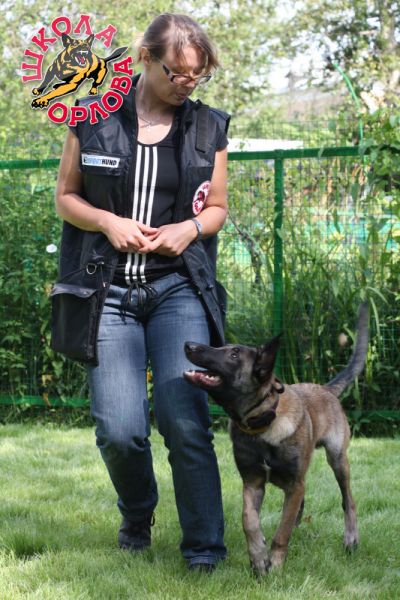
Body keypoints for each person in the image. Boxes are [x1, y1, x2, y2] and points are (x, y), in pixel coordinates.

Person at [54, 13, 230, 572]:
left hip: (178, 289)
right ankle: (137, 513)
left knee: (185, 420)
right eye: (178, 73)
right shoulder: (91, 116)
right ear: (145, 60)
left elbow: (217, 207)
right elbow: (66, 197)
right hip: (106, 293)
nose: (188, 84)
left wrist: (190, 229)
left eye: (198, 75)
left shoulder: (208, 127)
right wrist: (107, 222)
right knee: (120, 430)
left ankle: (204, 551)